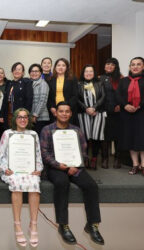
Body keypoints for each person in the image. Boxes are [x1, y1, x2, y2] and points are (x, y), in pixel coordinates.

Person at [40, 102, 104, 245]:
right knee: (62, 183)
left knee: (91, 185)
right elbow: (44, 153)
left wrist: (75, 165)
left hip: (75, 167)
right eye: (61, 111)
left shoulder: (76, 130)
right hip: (55, 168)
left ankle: (93, 225)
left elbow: (83, 151)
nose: (64, 114)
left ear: (70, 114)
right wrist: (59, 165)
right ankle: (63, 225)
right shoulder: (46, 130)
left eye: (67, 111)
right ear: (55, 113)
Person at [0, 108, 43, 247]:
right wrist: (6, 168)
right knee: (16, 186)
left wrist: (38, 168)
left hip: (29, 170)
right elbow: (1, 155)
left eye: (25, 117)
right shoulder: (7, 133)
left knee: (35, 184)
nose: (22, 119)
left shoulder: (33, 134)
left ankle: (33, 224)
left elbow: (37, 155)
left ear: (28, 119)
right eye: (19, 117)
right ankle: (17, 224)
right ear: (15, 119)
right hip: (12, 171)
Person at [116, 57, 144, 178]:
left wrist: (139, 105)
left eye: (138, 64)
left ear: (143, 66)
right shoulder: (124, 80)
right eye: (133, 64)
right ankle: (135, 164)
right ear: (130, 67)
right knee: (131, 138)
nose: (135, 66)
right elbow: (118, 94)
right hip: (128, 113)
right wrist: (125, 105)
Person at [77, 65, 106, 169]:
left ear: (94, 73)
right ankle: (85, 158)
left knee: (96, 137)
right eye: (86, 71)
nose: (88, 73)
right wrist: (86, 108)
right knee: (84, 137)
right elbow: (77, 98)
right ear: (83, 73)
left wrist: (94, 108)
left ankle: (94, 159)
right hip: (83, 113)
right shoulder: (78, 84)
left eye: (91, 71)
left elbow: (103, 97)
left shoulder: (99, 83)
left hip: (98, 113)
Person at [100, 58, 123, 168]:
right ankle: (104, 159)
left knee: (118, 136)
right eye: (107, 64)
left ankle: (117, 159)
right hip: (104, 111)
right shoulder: (100, 78)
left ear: (116, 67)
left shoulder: (121, 78)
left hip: (118, 111)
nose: (109, 66)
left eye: (112, 64)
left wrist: (120, 104)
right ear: (105, 66)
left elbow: (125, 94)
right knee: (105, 136)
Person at [0, 62, 33, 129]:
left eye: (19, 69)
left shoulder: (26, 82)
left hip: (20, 114)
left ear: (23, 72)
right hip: (8, 113)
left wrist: (25, 115)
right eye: (15, 69)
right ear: (12, 72)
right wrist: (1, 115)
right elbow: (5, 100)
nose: (16, 71)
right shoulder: (9, 84)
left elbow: (29, 100)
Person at [47, 58, 79, 125]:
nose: (60, 67)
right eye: (58, 65)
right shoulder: (50, 79)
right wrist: (52, 107)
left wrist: (67, 108)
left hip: (68, 110)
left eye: (63, 65)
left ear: (67, 67)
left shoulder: (73, 79)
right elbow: (49, 96)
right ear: (55, 67)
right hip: (55, 110)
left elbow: (75, 95)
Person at [29, 63, 50, 134]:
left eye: (36, 71)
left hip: (40, 118)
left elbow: (42, 101)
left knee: (40, 140)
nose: (34, 73)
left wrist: (35, 115)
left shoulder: (43, 84)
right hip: (31, 118)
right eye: (32, 71)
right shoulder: (29, 83)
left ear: (40, 73)